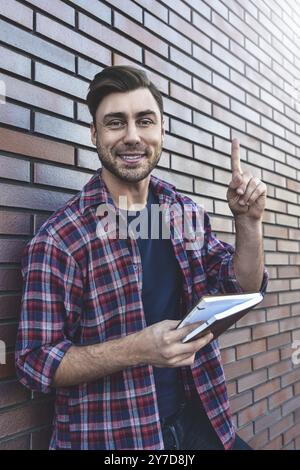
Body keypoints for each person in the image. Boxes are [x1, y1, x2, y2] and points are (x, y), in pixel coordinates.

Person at [16, 66, 268, 450]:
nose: (132, 136)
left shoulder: (183, 212)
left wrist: (248, 224)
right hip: (117, 438)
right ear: (95, 134)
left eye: (144, 121)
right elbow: (34, 362)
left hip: (201, 419)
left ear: (161, 131)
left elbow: (242, 286)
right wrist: (137, 348)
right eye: (115, 123)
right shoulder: (61, 238)